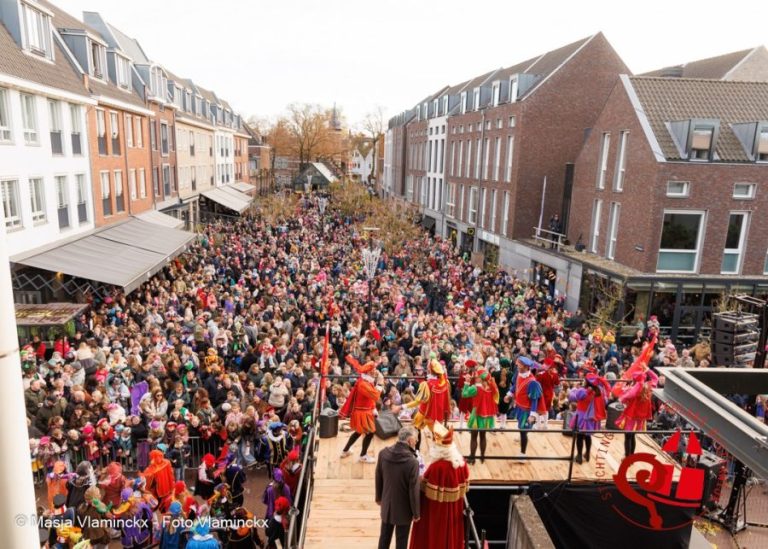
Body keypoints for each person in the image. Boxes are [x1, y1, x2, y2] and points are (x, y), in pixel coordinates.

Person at [409, 423, 469, 549]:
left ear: (439, 448)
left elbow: (424, 491)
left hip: (435, 512)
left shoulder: (436, 468)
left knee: (434, 536)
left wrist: (419, 479)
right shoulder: (461, 463)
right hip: (454, 510)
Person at [375, 426, 420, 549]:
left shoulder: (383, 453)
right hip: (404, 509)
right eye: (415, 440)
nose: (416, 442)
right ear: (410, 440)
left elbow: (379, 477)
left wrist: (379, 498)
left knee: (384, 537)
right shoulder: (412, 462)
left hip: (387, 505)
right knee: (402, 540)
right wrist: (416, 513)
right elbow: (413, 490)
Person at [339, 355, 383, 463]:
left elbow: (370, 398)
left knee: (359, 432)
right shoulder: (364, 384)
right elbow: (375, 396)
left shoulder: (366, 381)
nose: (376, 371)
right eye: (374, 369)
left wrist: (373, 408)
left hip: (365, 410)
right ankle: (363, 456)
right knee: (370, 432)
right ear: (369, 372)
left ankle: (345, 450)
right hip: (362, 412)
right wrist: (381, 382)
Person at [405, 353, 451, 449]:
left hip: (423, 413)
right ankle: (439, 453)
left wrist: (402, 406)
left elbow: (418, 401)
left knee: (416, 430)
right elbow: (446, 401)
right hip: (436, 415)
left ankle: (416, 452)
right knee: (437, 436)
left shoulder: (426, 384)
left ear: (430, 370)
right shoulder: (445, 383)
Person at [506, 357, 545, 457]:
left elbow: (534, 400)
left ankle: (522, 454)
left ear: (526, 367)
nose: (517, 365)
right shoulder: (519, 374)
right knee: (521, 427)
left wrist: (532, 415)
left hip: (526, 411)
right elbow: (515, 386)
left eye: (519, 364)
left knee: (524, 431)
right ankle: (522, 434)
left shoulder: (532, 383)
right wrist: (509, 394)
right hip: (519, 407)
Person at [568, 372, 611, 463]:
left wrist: (575, 388)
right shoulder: (599, 391)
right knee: (588, 436)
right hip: (591, 417)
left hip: (581, 416)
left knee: (579, 436)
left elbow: (575, 397)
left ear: (587, 382)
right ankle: (587, 453)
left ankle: (579, 455)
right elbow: (605, 402)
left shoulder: (583, 391)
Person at [617, 368, 659, 457]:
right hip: (641, 415)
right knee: (633, 436)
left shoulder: (636, 387)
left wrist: (622, 398)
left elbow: (627, 396)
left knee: (628, 436)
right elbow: (656, 378)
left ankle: (627, 457)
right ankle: (631, 455)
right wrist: (647, 370)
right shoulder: (649, 385)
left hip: (632, 414)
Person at [461, 367, 499, 464]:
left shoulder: (476, 388)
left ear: (481, 378)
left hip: (476, 415)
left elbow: (464, 394)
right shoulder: (492, 387)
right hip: (487, 416)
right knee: (483, 436)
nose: (475, 377)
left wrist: (467, 382)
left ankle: (472, 458)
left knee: (474, 437)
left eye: (477, 376)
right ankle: (482, 457)